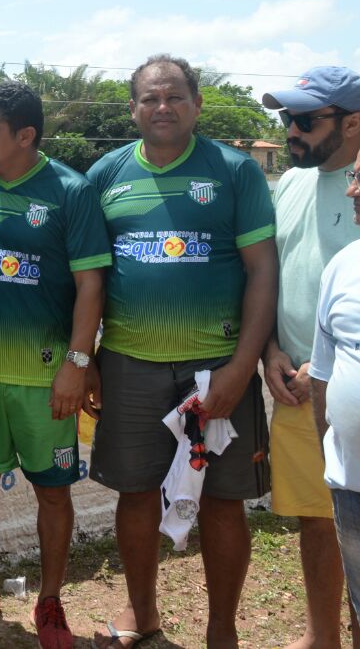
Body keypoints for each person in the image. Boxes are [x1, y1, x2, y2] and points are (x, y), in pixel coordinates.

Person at [86, 54, 277, 648]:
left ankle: (222, 629)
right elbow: (88, 277)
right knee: (136, 493)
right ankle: (142, 613)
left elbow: (262, 270)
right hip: (128, 364)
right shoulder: (105, 175)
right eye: (150, 98)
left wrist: (242, 367)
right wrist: (86, 359)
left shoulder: (234, 171)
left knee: (222, 502)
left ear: (196, 104)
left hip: (217, 369)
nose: (162, 107)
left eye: (174, 97)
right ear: (133, 109)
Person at [0, 81, 110, 648]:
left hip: (46, 375)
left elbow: (91, 285)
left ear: (26, 135)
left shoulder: (70, 191)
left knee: (53, 491)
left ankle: (50, 601)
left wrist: (77, 363)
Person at [261, 66, 360, 649]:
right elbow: (272, 273)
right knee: (317, 520)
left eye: (304, 119)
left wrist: (322, 369)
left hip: (343, 388)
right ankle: (322, 636)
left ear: (352, 123)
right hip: (293, 386)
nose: (291, 132)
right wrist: (271, 349)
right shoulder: (291, 183)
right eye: (286, 119)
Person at [310, 142, 360, 632]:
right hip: (352, 486)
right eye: (354, 177)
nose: (352, 191)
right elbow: (322, 377)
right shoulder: (342, 266)